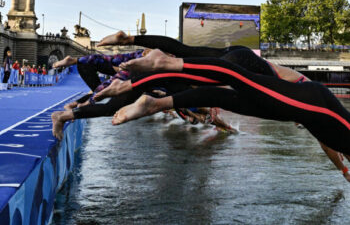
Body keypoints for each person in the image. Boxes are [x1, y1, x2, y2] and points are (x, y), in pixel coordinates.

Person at [98, 49, 350, 181]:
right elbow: (328, 141)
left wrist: (342, 171)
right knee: (236, 77)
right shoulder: (337, 130)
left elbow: (327, 143)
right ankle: (165, 64)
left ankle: (155, 103)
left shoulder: (332, 134)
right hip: (314, 102)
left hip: (300, 108)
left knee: (220, 97)